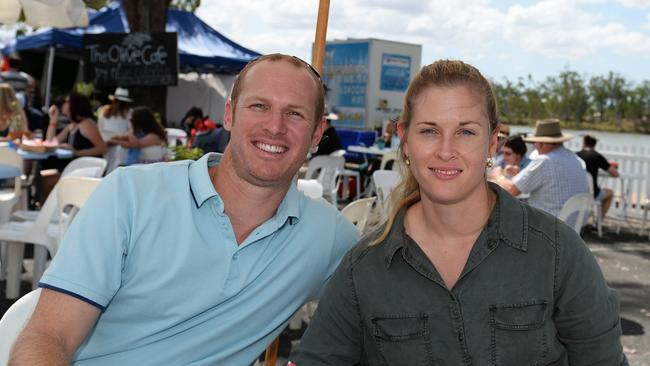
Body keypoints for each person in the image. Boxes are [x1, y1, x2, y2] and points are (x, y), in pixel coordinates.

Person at [9, 53, 359, 365]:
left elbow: (385, 304)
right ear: (229, 115)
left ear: (317, 133)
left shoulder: (328, 236)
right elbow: (48, 336)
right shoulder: (130, 195)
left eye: (294, 113)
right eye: (259, 106)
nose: (275, 126)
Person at [290, 60, 627, 365]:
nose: (446, 151)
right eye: (429, 131)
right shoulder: (364, 268)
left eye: (466, 132)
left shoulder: (556, 253)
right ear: (405, 141)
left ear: (492, 143)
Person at [494, 119, 589, 217]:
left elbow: (511, 191)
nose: (534, 146)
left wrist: (498, 176)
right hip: (573, 225)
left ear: (541, 143)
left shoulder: (544, 160)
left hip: (548, 225)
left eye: (535, 143)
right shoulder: (575, 158)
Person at [46, 91, 107, 159]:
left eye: (67, 101)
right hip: (75, 166)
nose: (64, 104)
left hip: (87, 166)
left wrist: (76, 153)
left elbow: (102, 148)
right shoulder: (72, 125)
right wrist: (53, 120)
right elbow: (50, 143)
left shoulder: (86, 124)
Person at [577, 134, 619, 218]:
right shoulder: (597, 156)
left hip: (575, 193)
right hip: (591, 195)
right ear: (594, 145)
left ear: (584, 143)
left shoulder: (576, 155)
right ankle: (598, 222)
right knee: (610, 193)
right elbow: (615, 174)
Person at [97, 87, 133, 172]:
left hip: (119, 148)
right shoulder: (104, 111)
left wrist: (113, 140)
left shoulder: (130, 112)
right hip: (113, 148)